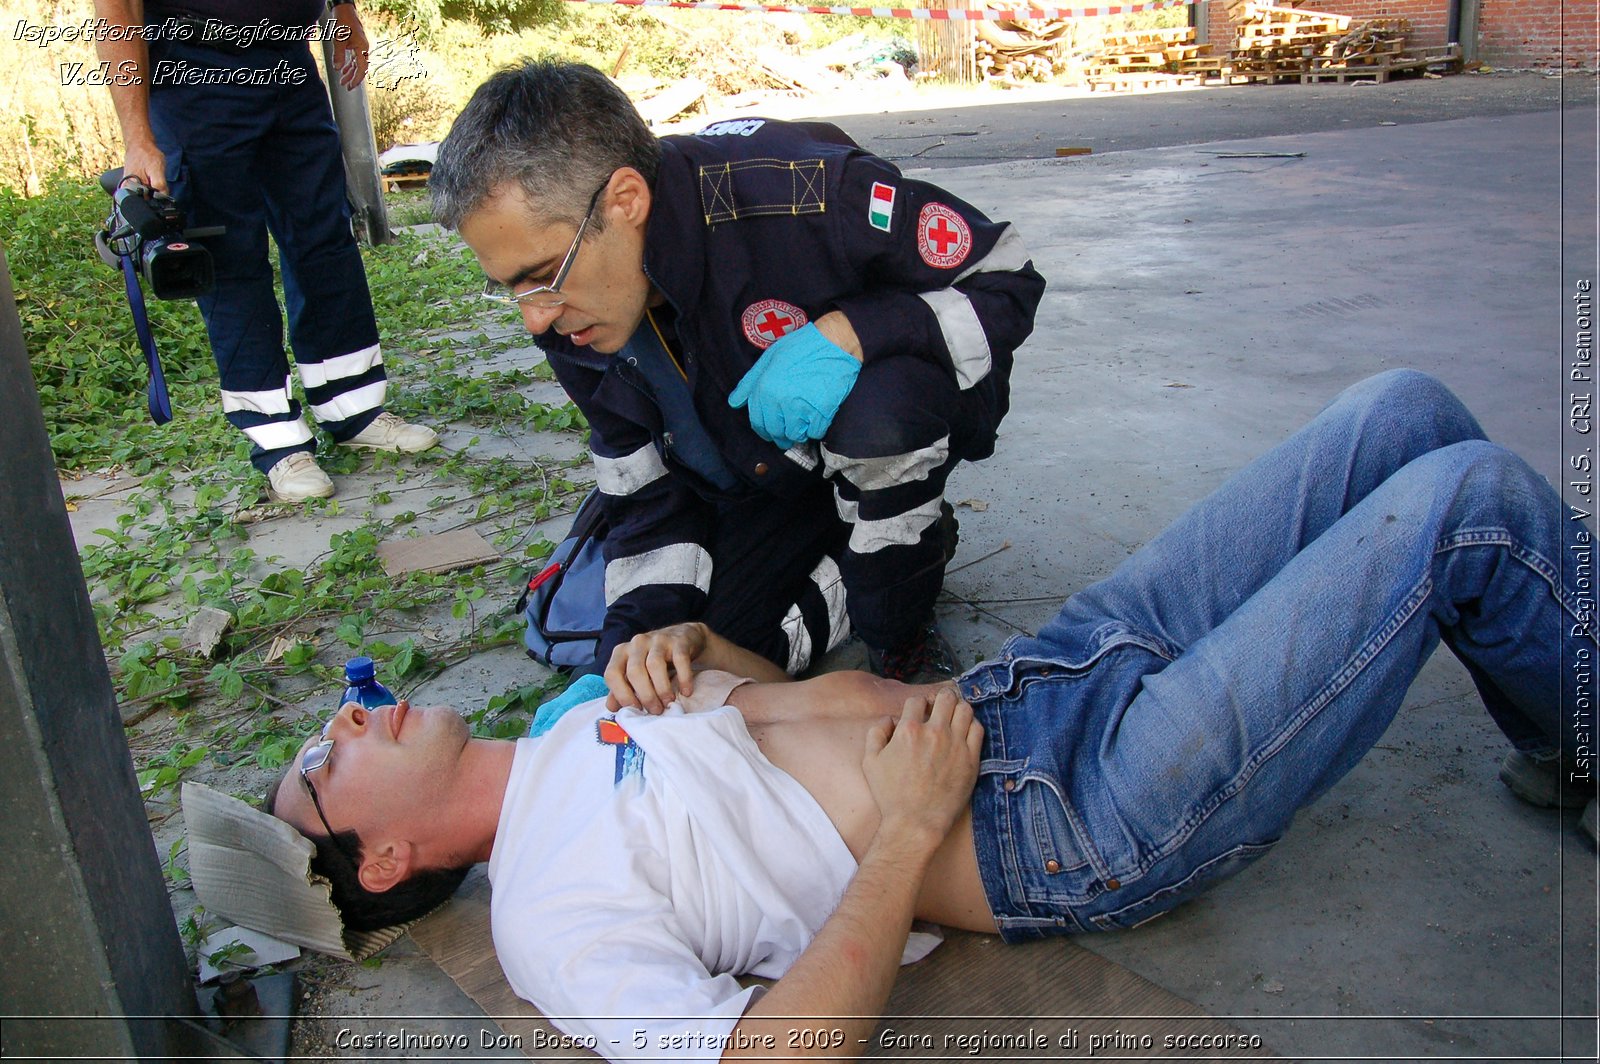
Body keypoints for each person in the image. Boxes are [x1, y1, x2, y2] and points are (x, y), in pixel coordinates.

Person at [269, 371, 1595, 1062]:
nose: (354, 713)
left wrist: (703, 645)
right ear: (380, 860)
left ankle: (1565, 737)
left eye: (343, 706)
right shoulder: (547, 913)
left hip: (1045, 679)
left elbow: (779, 709)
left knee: (1404, 412)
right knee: (1467, 503)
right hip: (1069, 814)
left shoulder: (569, 719)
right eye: (330, 754)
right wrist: (902, 846)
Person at [427, 60, 1047, 682]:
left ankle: (901, 608)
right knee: (701, 664)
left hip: (892, 413)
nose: (535, 319)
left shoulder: (806, 191)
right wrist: (627, 655)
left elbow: (1005, 277)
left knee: (883, 421)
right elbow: (643, 493)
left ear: (625, 201)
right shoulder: (567, 310)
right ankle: (863, 542)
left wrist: (857, 333)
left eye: (543, 275)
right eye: (510, 287)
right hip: (756, 470)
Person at [93, 0, 438, 502]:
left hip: (287, 63)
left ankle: (354, 410)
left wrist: (344, 13)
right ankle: (278, 443)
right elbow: (117, 12)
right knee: (230, 260)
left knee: (325, 241)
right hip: (193, 69)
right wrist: (138, 137)